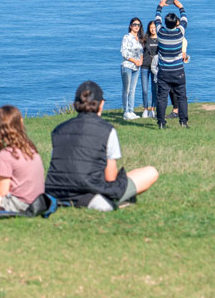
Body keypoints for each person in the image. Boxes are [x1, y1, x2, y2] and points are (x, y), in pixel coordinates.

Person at [45, 81, 159, 211]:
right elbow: (110, 178)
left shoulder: (58, 130)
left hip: (56, 192)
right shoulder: (107, 131)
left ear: (74, 104)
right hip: (89, 195)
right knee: (151, 172)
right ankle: (112, 200)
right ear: (101, 104)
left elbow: (57, 165)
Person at [155, 0, 189, 129]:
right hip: (178, 70)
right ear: (176, 23)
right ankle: (183, 121)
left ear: (165, 23)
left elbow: (157, 19)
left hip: (163, 71)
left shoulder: (160, 33)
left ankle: (161, 122)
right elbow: (185, 19)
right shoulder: (180, 33)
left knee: (162, 98)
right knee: (182, 97)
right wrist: (180, 6)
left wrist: (160, 6)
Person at [120, 18, 144, 120]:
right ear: (130, 26)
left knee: (132, 90)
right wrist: (135, 61)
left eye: (138, 25)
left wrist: (141, 61)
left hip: (137, 67)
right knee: (126, 89)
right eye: (134, 24)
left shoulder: (139, 38)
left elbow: (141, 52)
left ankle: (131, 110)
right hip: (127, 66)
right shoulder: (126, 37)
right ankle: (126, 111)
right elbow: (124, 52)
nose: (136, 26)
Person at [140, 20, 158, 119]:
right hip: (144, 67)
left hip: (155, 68)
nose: (153, 29)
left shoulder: (160, 39)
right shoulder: (145, 38)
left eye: (154, 27)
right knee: (145, 90)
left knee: (154, 89)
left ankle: (152, 110)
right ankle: (145, 109)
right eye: (151, 27)